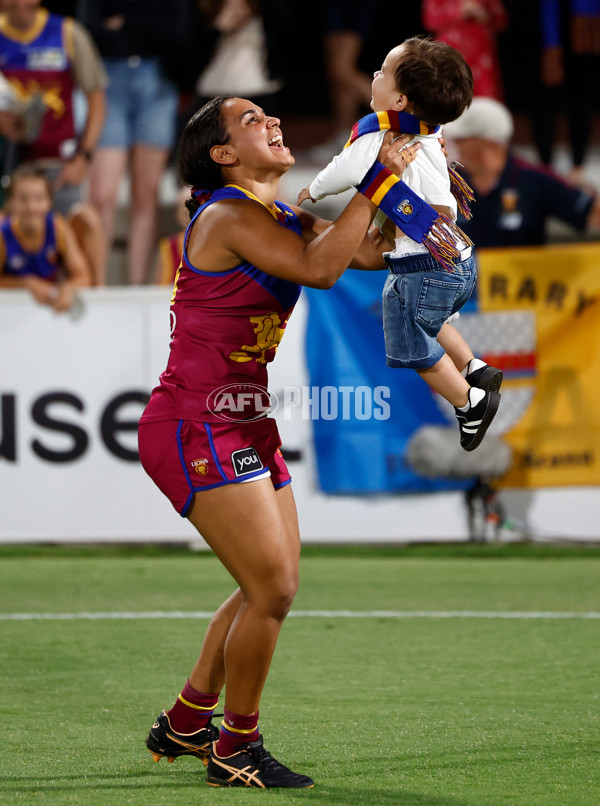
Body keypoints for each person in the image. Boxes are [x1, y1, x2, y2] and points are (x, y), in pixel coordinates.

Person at [138, 95, 419, 788]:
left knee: (264, 583)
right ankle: (236, 746)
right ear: (223, 154)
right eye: (251, 120)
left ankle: (186, 720)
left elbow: (367, 249)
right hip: (196, 422)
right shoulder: (230, 213)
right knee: (275, 586)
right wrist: (375, 180)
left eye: (269, 114)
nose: (272, 121)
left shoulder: (274, 214)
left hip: (241, 419)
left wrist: (424, 196)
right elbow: (322, 269)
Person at [298, 37, 502, 452]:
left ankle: (468, 401)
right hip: (458, 260)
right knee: (429, 316)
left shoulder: (382, 137)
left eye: (382, 72)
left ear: (401, 100)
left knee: (410, 344)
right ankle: (473, 366)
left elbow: (343, 169)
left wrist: (313, 191)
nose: (373, 76)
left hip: (423, 265)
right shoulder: (432, 135)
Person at [80, 0, 190, 285]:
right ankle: (97, 285)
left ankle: (138, 284)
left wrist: (124, 22)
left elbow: (176, 29)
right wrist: (145, 21)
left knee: (146, 195)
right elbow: (89, 26)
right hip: (109, 77)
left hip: (157, 80)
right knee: (102, 195)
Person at [0, 0, 108, 285]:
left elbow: (97, 98)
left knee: (87, 223)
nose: (19, 3)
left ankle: (101, 303)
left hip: (61, 165)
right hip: (12, 162)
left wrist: (84, 156)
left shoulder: (67, 33)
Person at [442, 96, 600, 247]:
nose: (455, 144)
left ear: (488, 143)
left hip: (524, 274)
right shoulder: (449, 183)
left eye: (462, 139)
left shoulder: (533, 178)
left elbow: (592, 212)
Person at [0, 163, 90, 312]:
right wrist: (26, 284)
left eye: (39, 198)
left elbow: (83, 274)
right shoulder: (4, 235)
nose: (31, 207)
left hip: (53, 308)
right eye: (23, 199)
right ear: (10, 203)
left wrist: (69, 288)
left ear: (49, 202)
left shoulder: (57, 228)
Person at [421, 0, 508, 101]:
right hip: (451, 52)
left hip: (481, 55)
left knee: (485, 102)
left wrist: (484, 14)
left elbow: (501, 19)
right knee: (450, 95)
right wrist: (459, 10)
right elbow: (430, 20)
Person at [153, 184, 188, 285]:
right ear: (177, 215)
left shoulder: (212, 243)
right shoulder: (169, 246)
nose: (188, 211)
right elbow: (161, 285)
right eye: (183, 207)